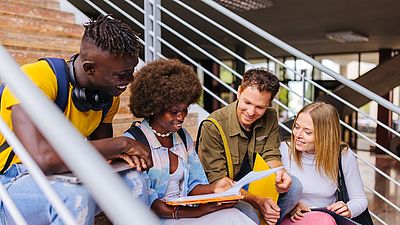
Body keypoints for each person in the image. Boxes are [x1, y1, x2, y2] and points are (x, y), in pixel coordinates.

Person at [0, 16, 152, 225]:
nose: (130, 80)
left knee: (135, 180)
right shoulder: (37, 78)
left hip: (67, 176)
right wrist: (122, 144)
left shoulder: (106, 98)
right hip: (10, 183)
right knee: (73, 196)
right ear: (90, 68)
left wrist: (122, 160)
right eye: (122, 75)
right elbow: (42, 160)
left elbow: (103, 156)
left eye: (131, 71)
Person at [125, 58, 256, 225]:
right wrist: (199, 212)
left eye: (184, 109)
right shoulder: (135, 142)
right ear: (154, 108)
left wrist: (215, 188)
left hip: (186, 214)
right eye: (173, 112)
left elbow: (193, 185)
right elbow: (149, 204)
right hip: (160, 219)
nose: (181, 117)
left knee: (236, 216)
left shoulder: (182, 136)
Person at [197, 68, 302, 225]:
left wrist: (281, 173)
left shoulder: (271, 116)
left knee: (294, 187)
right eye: (247, 102)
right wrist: (258, 201)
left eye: (260, 107)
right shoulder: (213, 125)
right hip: (226, 192)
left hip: (256, 184)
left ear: (269, 104)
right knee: (248, 214)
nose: (251, 112)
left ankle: (268, 221)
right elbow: (218, 181)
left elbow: (271, 154)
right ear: (239, 92)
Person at [279, 102, 368, 225]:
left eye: (308, 132)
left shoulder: (343, 155)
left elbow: (359, 199)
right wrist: (291, 206)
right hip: (289, 218)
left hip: (326, 218)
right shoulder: (283, 150)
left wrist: (348, 209)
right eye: (296, 127)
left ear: (325, 135)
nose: (297, 135)